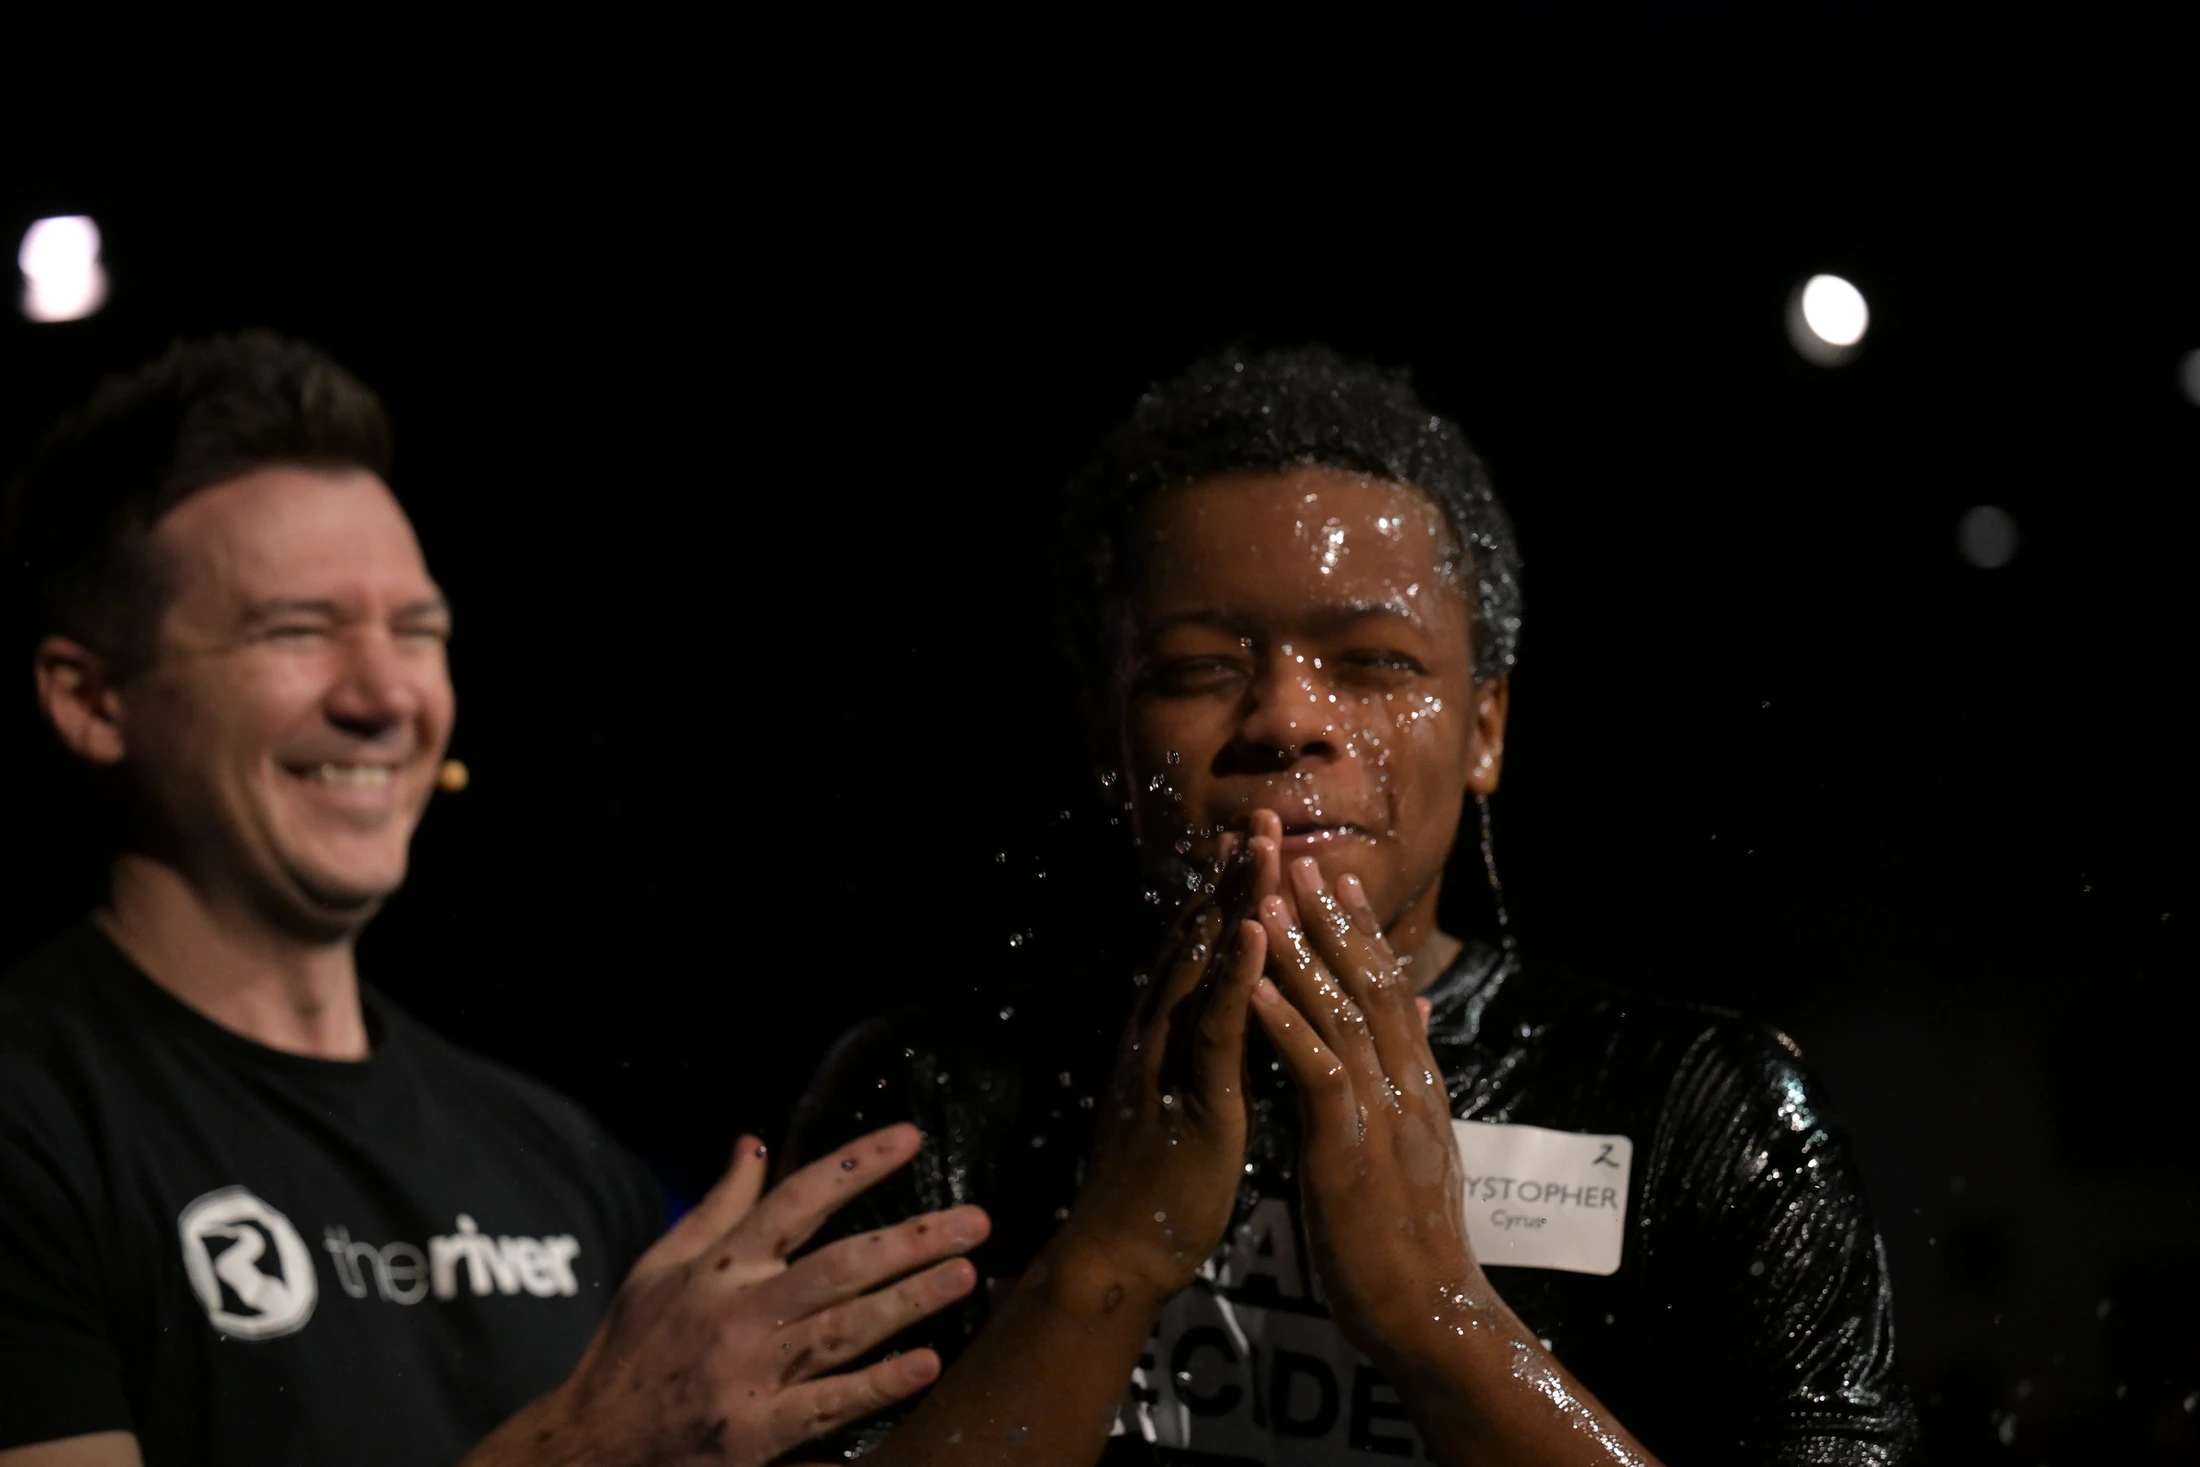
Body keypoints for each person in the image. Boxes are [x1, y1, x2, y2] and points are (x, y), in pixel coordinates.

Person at [785, 345, 1924, 1464]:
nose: (1287, 717)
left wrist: (1435, 1314)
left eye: (1373, 663)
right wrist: (1109, 1260)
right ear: (1107, 740)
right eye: (1195, 669)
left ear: (1485, 729)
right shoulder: (932, 1105)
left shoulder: (1700, 1115)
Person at [0, 333, 987, 1467]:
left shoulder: (554, 1158)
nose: (386, 697)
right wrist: (586, 1444)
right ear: (90, 700)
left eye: (418, 633)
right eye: (299, 630)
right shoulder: (32, 1123)